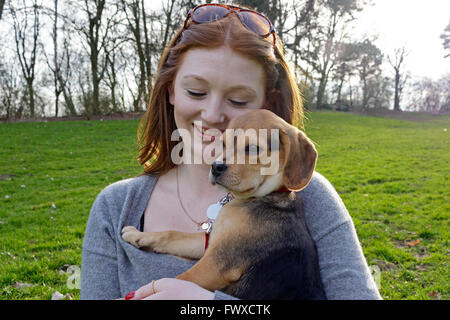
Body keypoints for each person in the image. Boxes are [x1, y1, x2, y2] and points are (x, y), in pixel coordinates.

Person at [81, 3, 381, 300]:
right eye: (196, 91)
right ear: (170, 89)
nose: (212, 115)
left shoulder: (309, 195)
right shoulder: (116, 207)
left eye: (238, 100)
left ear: (268, 105)